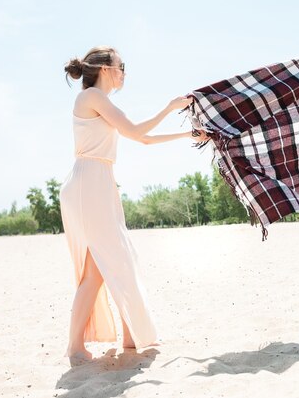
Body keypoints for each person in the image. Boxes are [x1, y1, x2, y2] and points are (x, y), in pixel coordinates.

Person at [61, 46, 207, 365]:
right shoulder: (92, 97)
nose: (124, 72)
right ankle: (74, 347)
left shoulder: (100, 101)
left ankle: (129, 337)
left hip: (99, 182)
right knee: (98, 267)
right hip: (89, 183)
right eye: (121, 66)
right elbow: (137, 132)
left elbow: (142, 139)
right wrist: (170, 107)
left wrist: (186, 134)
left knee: (118, 258)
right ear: (104, 69)